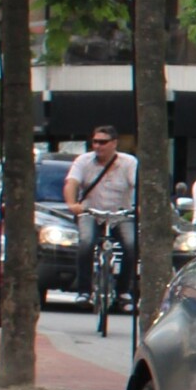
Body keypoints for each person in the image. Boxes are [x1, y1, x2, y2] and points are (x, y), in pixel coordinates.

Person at [62, 126, 139, 299]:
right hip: (91, 211)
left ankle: (124, 291)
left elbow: (138, 186)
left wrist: (140, 206)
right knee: (86, 242)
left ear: (114, 143)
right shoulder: (83, 161)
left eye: (103, 142)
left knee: (131, 245)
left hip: (120, 214)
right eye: (95, 142)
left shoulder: (129, 162)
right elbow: (71, 182)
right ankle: (84, 291)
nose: (98, 146)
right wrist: (72, 204)